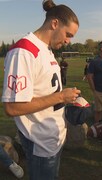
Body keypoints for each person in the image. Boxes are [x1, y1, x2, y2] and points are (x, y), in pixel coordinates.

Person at [1, 1, 81, 180]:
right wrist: (60, 96)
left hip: (53, 138)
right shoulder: (23, 52)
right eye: (68, 34)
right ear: (54, 24)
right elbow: (12, 108)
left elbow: (45, 92)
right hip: (40, 143)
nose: (68, 41)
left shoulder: (47, 50)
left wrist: (66, 99)